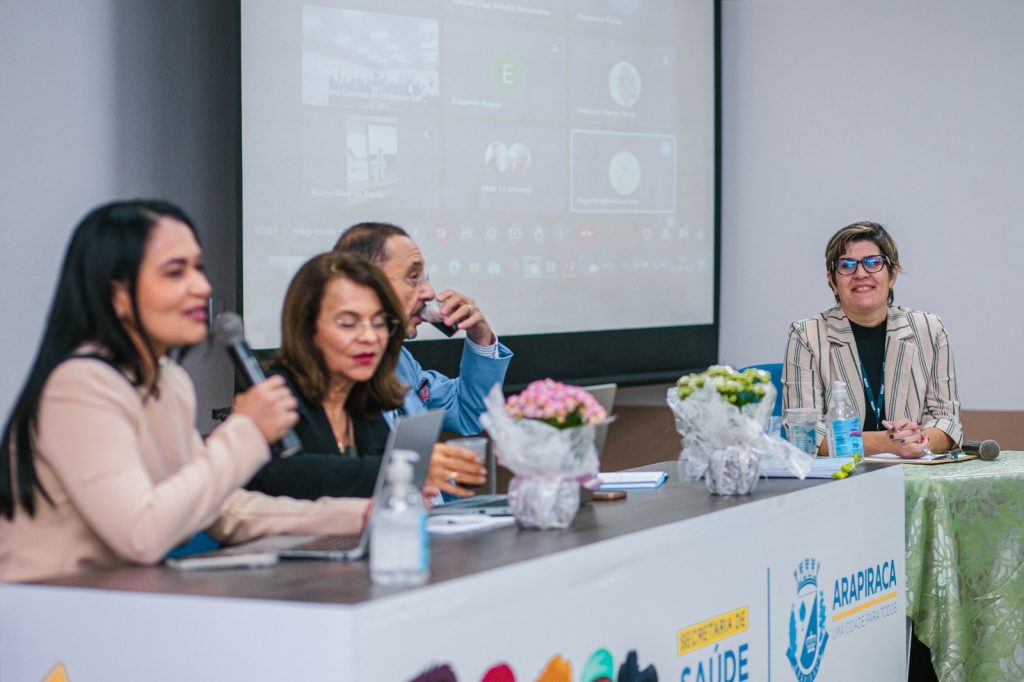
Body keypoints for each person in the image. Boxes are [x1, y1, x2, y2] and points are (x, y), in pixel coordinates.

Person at [0, 200, 368, 582]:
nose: (202, 287)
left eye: (199, 269)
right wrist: (247, 430)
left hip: (119, 605)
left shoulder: (169, 381)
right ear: (118, 296)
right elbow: (143, 535)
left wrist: (356, 514)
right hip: (50, 613)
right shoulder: (78, 384)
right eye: (176, 272)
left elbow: (223, 510)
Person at [244, 252, 485, 500]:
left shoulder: (365, 394)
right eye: (348, 323)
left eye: (379, 322)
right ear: (308, 327)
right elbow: (284, 477)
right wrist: (401, 469)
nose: (370, 337)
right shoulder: (276, 395)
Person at [782, 220, 961, 458]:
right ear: (832, 281)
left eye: (873, 263)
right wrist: (889, 442)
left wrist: (918, 439)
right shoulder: (807, 335)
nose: (860, 274)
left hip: (914, 475)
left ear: (892, 275)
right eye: (846, 265)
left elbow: (948, 422)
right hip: (839, 481)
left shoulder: (929, 330)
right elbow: (806, 434)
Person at [334, 222, 512, 436]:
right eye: (413, 277)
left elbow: (468, 415)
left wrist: (481, 338)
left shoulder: (400, 361)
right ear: (365, 283)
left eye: (425, 279)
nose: (429, 292)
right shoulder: (332, 376)